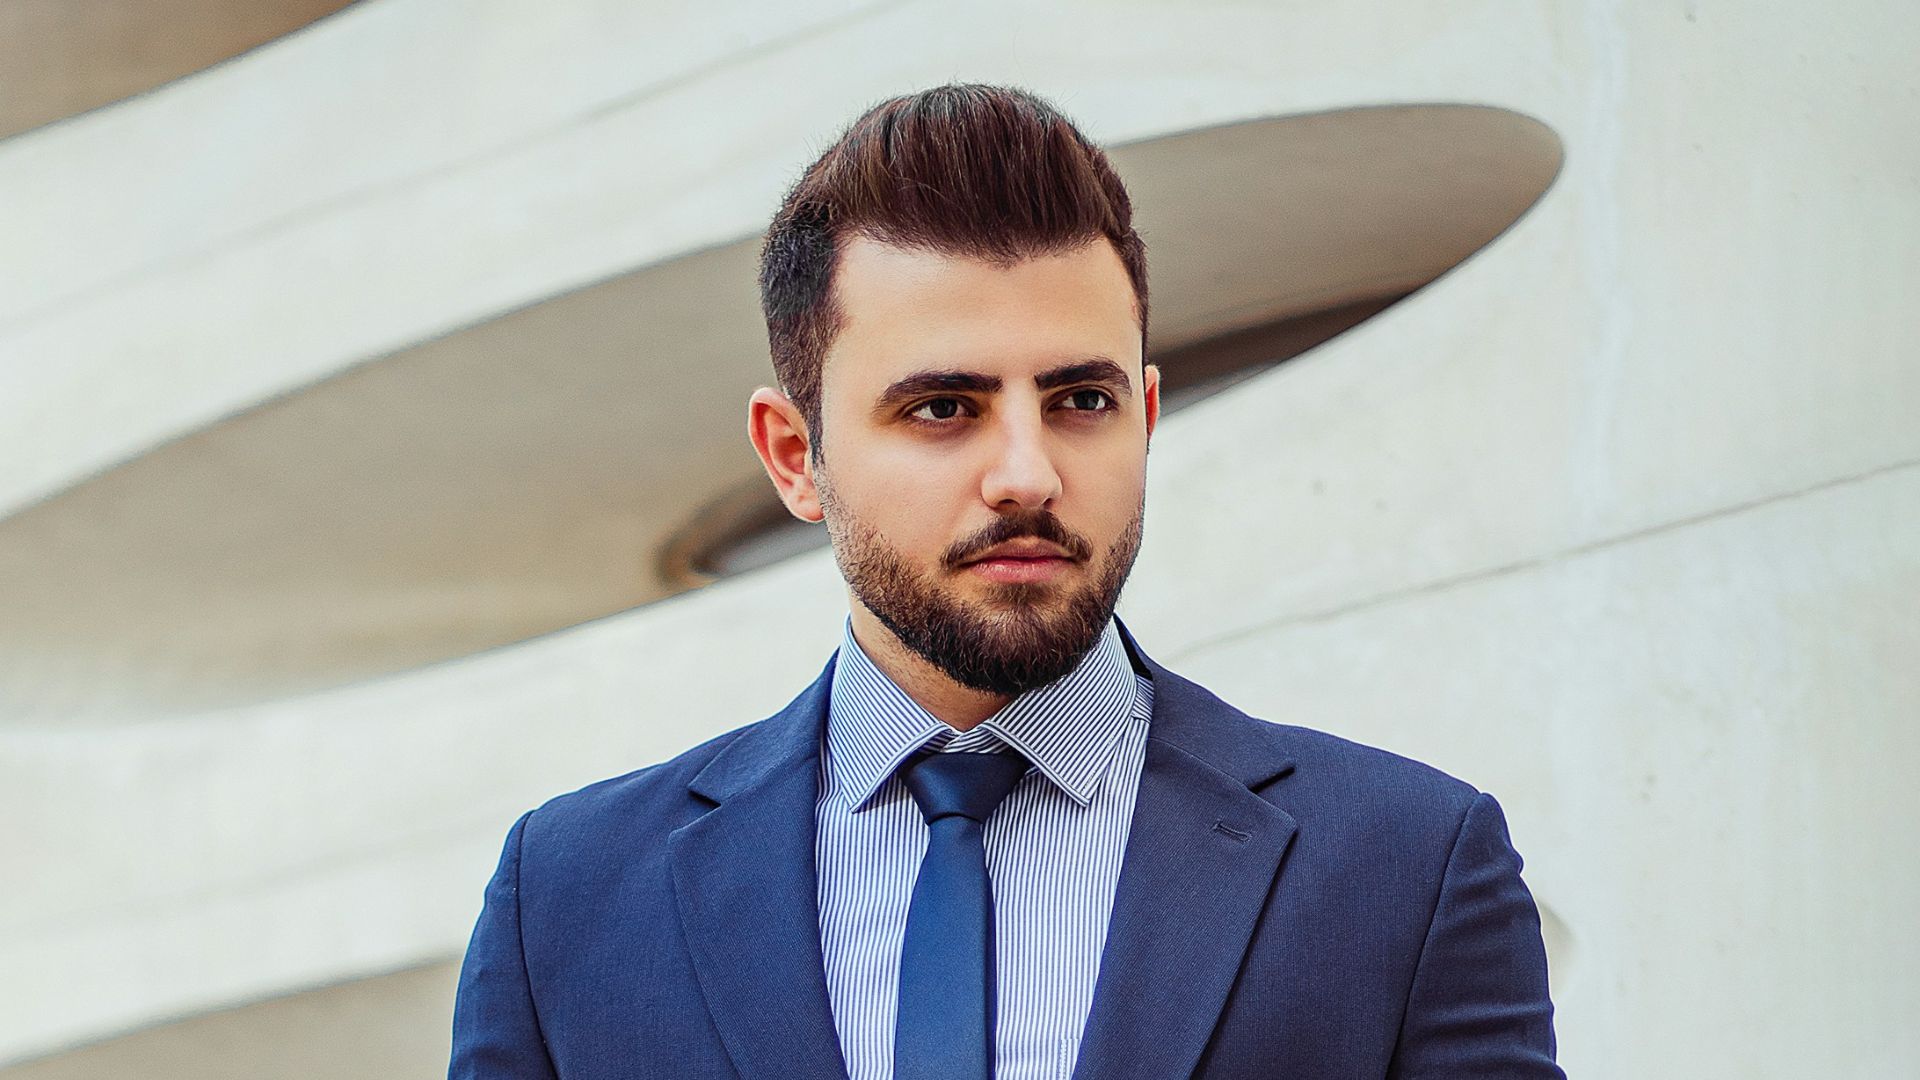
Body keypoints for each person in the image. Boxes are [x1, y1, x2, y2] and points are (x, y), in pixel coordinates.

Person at [449, 84, 1562, 1080]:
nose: (1028, 475)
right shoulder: (569, 903)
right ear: (795, 457)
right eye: (943, 408)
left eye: (1082, 401)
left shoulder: (1407, 868)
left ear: (1146, 416)